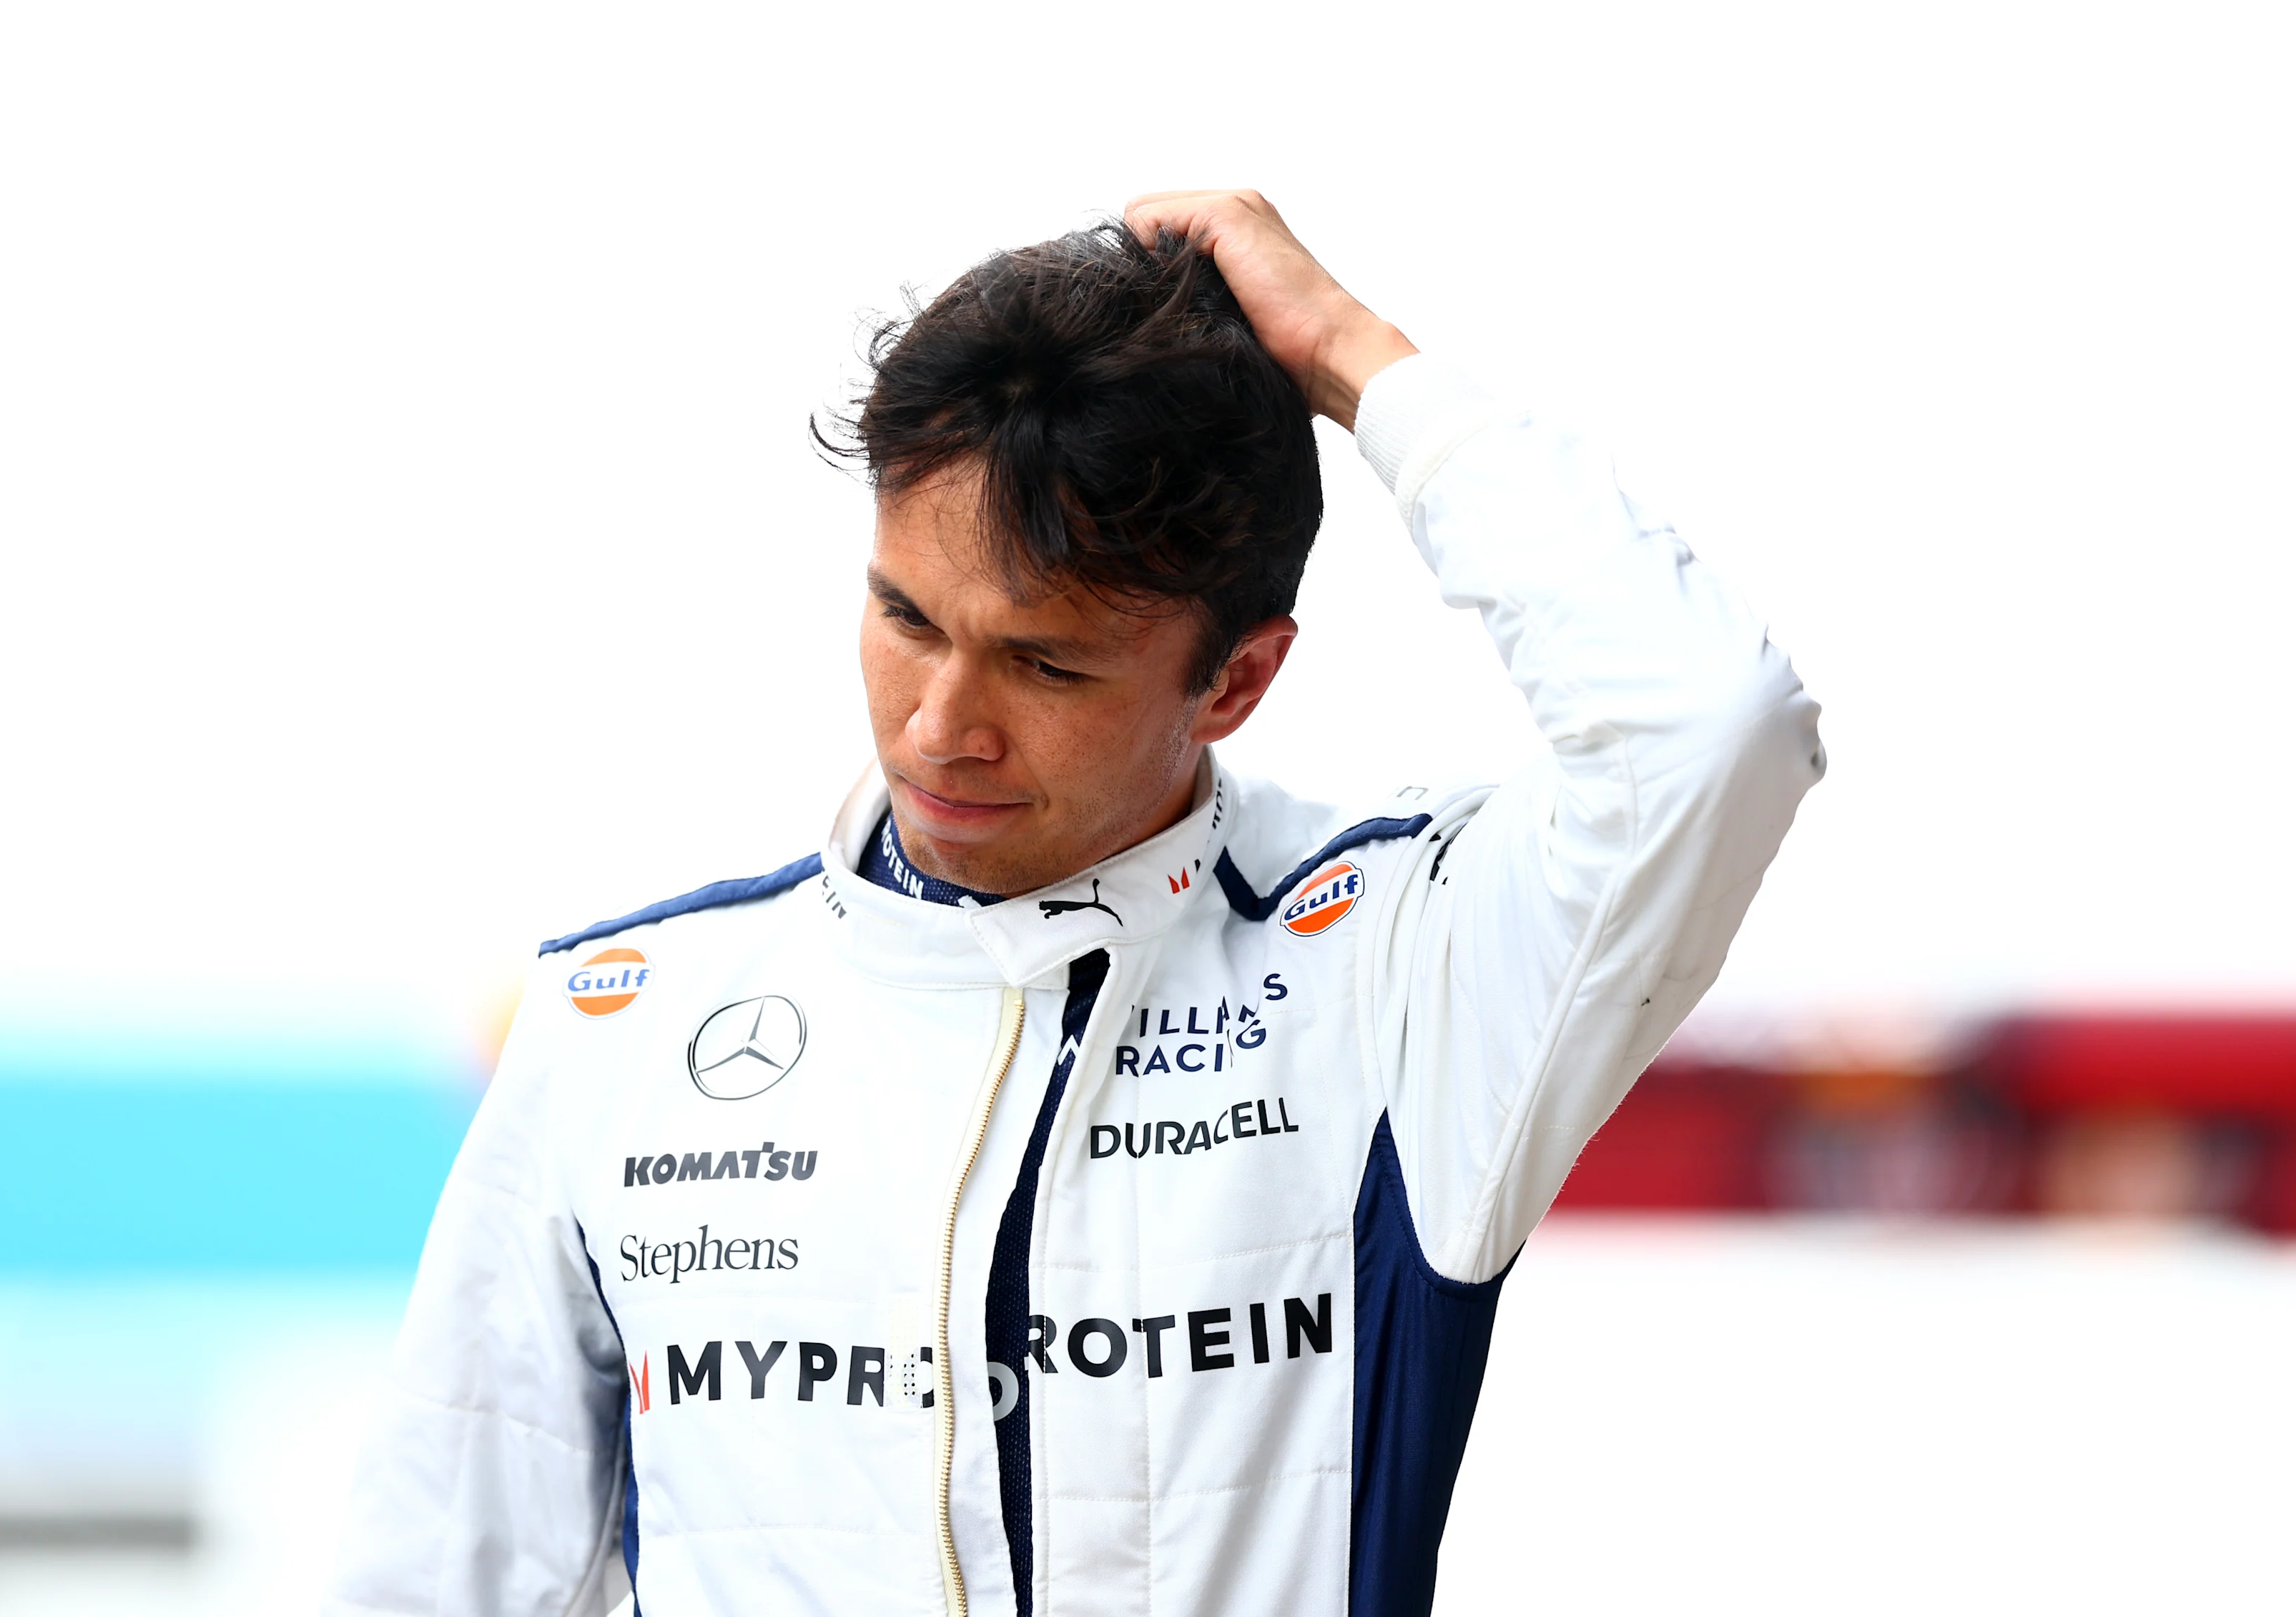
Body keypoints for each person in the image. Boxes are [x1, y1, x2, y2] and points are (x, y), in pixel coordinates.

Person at [326, 190, 1823, 1617]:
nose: (939, 725)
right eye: (906, 617)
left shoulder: (1393, 969)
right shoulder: (623, 1022)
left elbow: (1709, 727)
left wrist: (1352, 355)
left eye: (1043, 664)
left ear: (1236, 676)